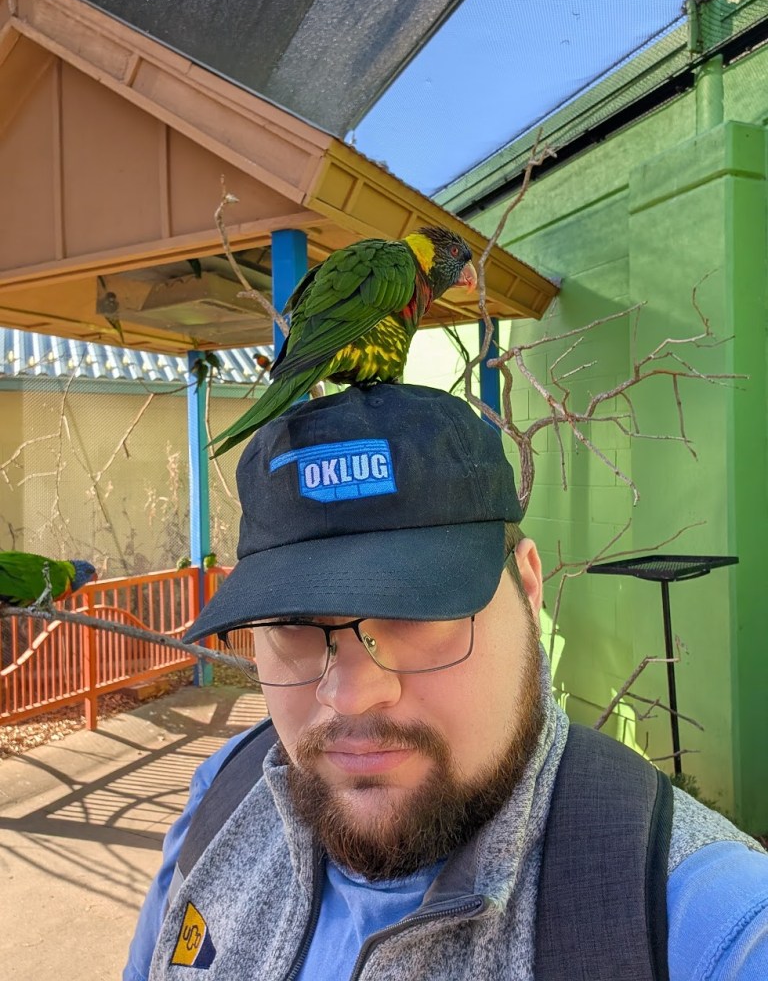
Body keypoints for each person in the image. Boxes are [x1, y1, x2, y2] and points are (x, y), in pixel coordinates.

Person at [124, 383, 768, 981]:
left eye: (418, 610)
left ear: (529, 588)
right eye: (292, 623)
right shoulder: (220, 798)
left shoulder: (694, 917)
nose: (350, 695)